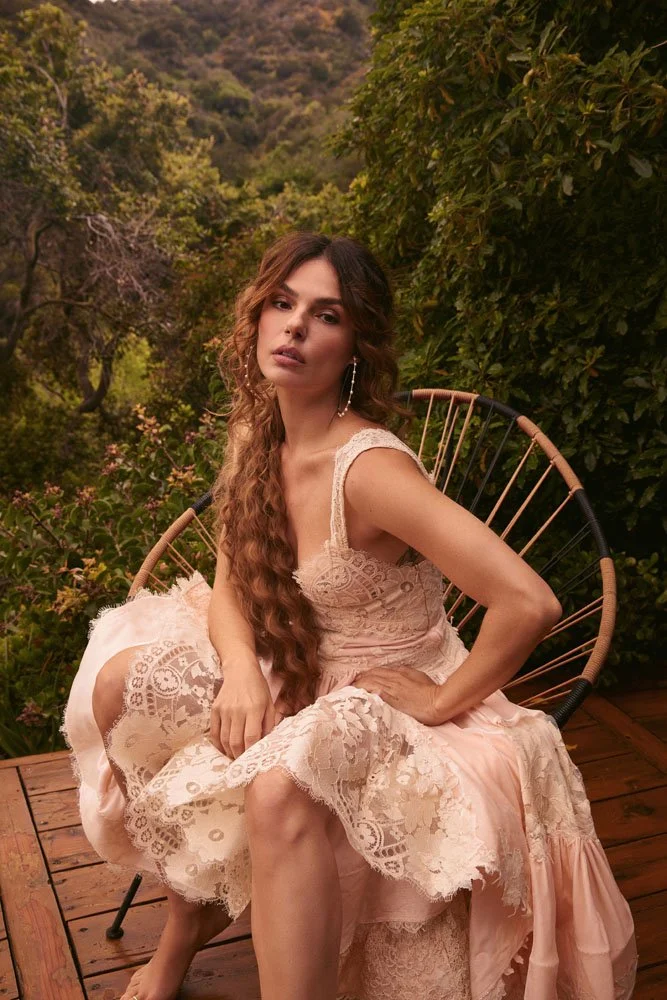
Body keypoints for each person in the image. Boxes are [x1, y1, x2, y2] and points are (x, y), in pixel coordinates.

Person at [61, 231, 637, 1000]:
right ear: (257, 318)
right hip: (290, 659)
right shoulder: (257, 432)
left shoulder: (367, 471)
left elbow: (528, 600)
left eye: (325, 314)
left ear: (355, 343)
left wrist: (436, 699)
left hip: (382, 684)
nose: (295, 326)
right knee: (125, 687)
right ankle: (184, 929)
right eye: (282, 303)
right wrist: (238, 669)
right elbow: (234, 578)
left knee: (278, 786)